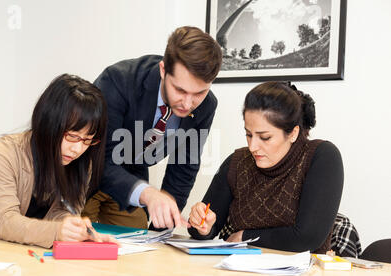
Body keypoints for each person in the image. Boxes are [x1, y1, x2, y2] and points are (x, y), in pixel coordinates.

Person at [82, 26, 222, 230]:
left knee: (140, 248)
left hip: (130, 182)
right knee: (78, 246)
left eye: (199, 93)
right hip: (86, 176)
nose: (188, 103)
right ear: (163, 70)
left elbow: (184, 168)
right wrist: (149, 195)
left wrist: (162, 226)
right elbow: (101, 157)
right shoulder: (118, 81)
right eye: (180, 90)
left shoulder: (207, 106)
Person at [0, 74, 118, 248]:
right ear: (48, 123)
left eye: (88, 140)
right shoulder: (2, 154)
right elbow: (5, 222)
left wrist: (75, 230)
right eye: (72, 136)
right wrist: (57, 231)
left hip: (32, 255)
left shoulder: (81, 163)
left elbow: (62, 212)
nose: (77, 149)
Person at [188, 81, 344, 253]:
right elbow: (202, 231)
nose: (253, 146)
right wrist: (202, 226)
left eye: (265, 137)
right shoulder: (236, 162)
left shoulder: (321, 157)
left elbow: (306, 238)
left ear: (293, 133)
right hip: (239, 272)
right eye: (248, 134)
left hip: (303, 275)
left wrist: (244, 237)